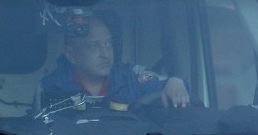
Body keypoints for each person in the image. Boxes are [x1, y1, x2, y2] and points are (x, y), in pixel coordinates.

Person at [39, 11, 188, 114]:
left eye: (108, 44)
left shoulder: (132, 78)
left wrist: (175, 81)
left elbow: (162, 83)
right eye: (94, 46)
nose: (105, 54)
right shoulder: (50, 88)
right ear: (71, 55)